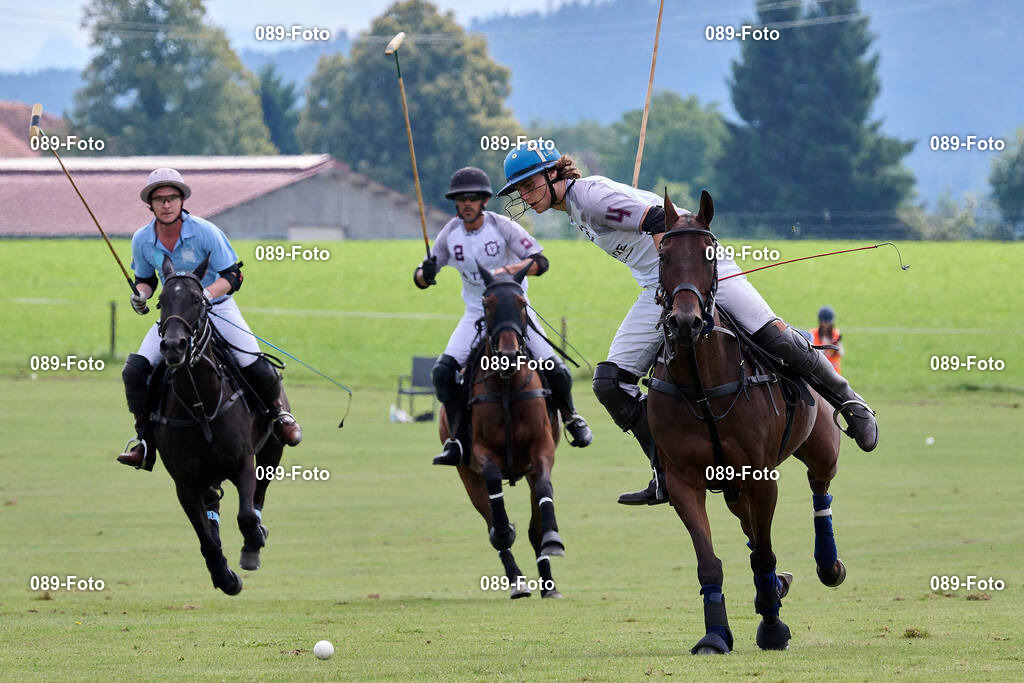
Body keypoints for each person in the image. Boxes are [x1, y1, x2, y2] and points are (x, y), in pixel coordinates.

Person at [497, 141, 878, 505]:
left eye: (529, 185)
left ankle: (849, 402)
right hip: (659, 288)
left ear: (553, 175)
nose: (526, 196)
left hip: (702, 272)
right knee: (611, 383)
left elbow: (662, 218)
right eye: (520, 190)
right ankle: (665, 468)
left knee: (771, 335)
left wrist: (678, 279)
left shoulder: (590, 198)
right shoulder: (578, 206)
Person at [116, 168, 302, 468]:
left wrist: (206, 296)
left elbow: (233, 275)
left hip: (218, 307)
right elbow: (146, 278)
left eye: (172, 198)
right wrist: (140, 295)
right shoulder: (142, 239)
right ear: (150, 204)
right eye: (160, 199)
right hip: (176, 315)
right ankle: (144, 440)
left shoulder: (205, 232)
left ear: (181, 201)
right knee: (135, 371)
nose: (166, 204)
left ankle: (279, 416)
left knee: (254, 363)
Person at [414, 166, 592, 466]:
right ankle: (456, 440)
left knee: (555, 368)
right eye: (461, 199)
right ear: (456, 203)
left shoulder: (502, 226)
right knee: (442, 373)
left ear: (484, 201)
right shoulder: (450, 233)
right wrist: (425, 273)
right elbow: (421, 278)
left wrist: (510, 271)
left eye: (473, 198)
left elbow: (541, 261)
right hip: (476, 314)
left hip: (513, 312)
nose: (467, 204)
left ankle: (571, 417)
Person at [811, 305, 843, 374]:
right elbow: (811, 354)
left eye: (829, 322)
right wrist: (826, 348)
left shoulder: (836, 333)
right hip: (818, 374)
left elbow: (841, 353)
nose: (827, 325)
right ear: (821, 322)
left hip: (835, 375)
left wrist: (836, 348)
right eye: (826, 322)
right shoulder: (812, 334)